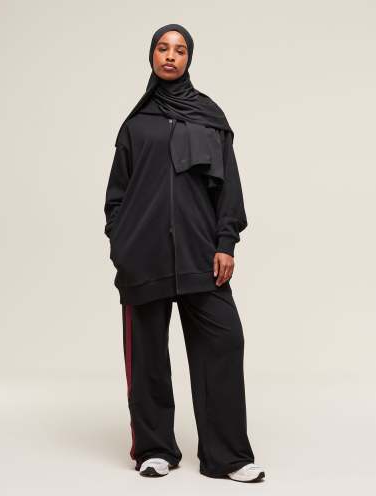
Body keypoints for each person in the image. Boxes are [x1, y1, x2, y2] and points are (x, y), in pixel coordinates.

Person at [103, 23, 266, 482]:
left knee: (223, 343)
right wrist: (122, 242)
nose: (170, 56)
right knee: (148, 357)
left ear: (189, 58)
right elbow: (116, 196)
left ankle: (227, 456)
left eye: (179, 50)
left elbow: (228, 188)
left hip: (199, 254)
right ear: (152, 56)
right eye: (163, 48)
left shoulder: (209, 117)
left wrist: (225, 242)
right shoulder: (136, 125)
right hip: (144, 257)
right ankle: (154, 449)